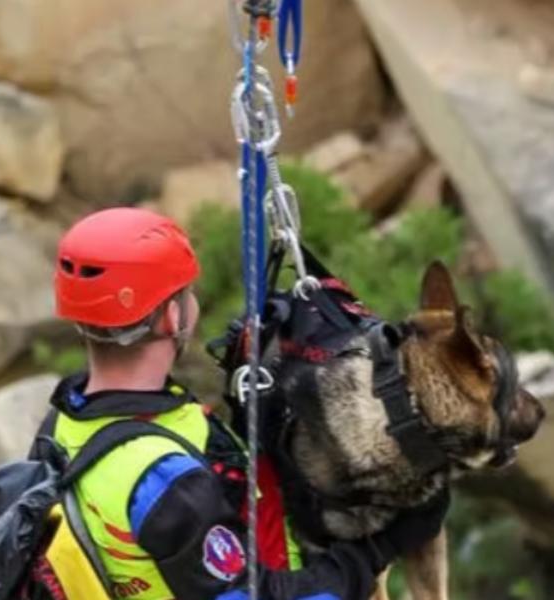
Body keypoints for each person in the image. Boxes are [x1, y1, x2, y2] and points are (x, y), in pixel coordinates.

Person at [31, 207, 448, 600]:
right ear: (173, 318)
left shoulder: (65, 424)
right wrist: (378, 549)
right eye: (186, 292)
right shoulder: (164, 479)